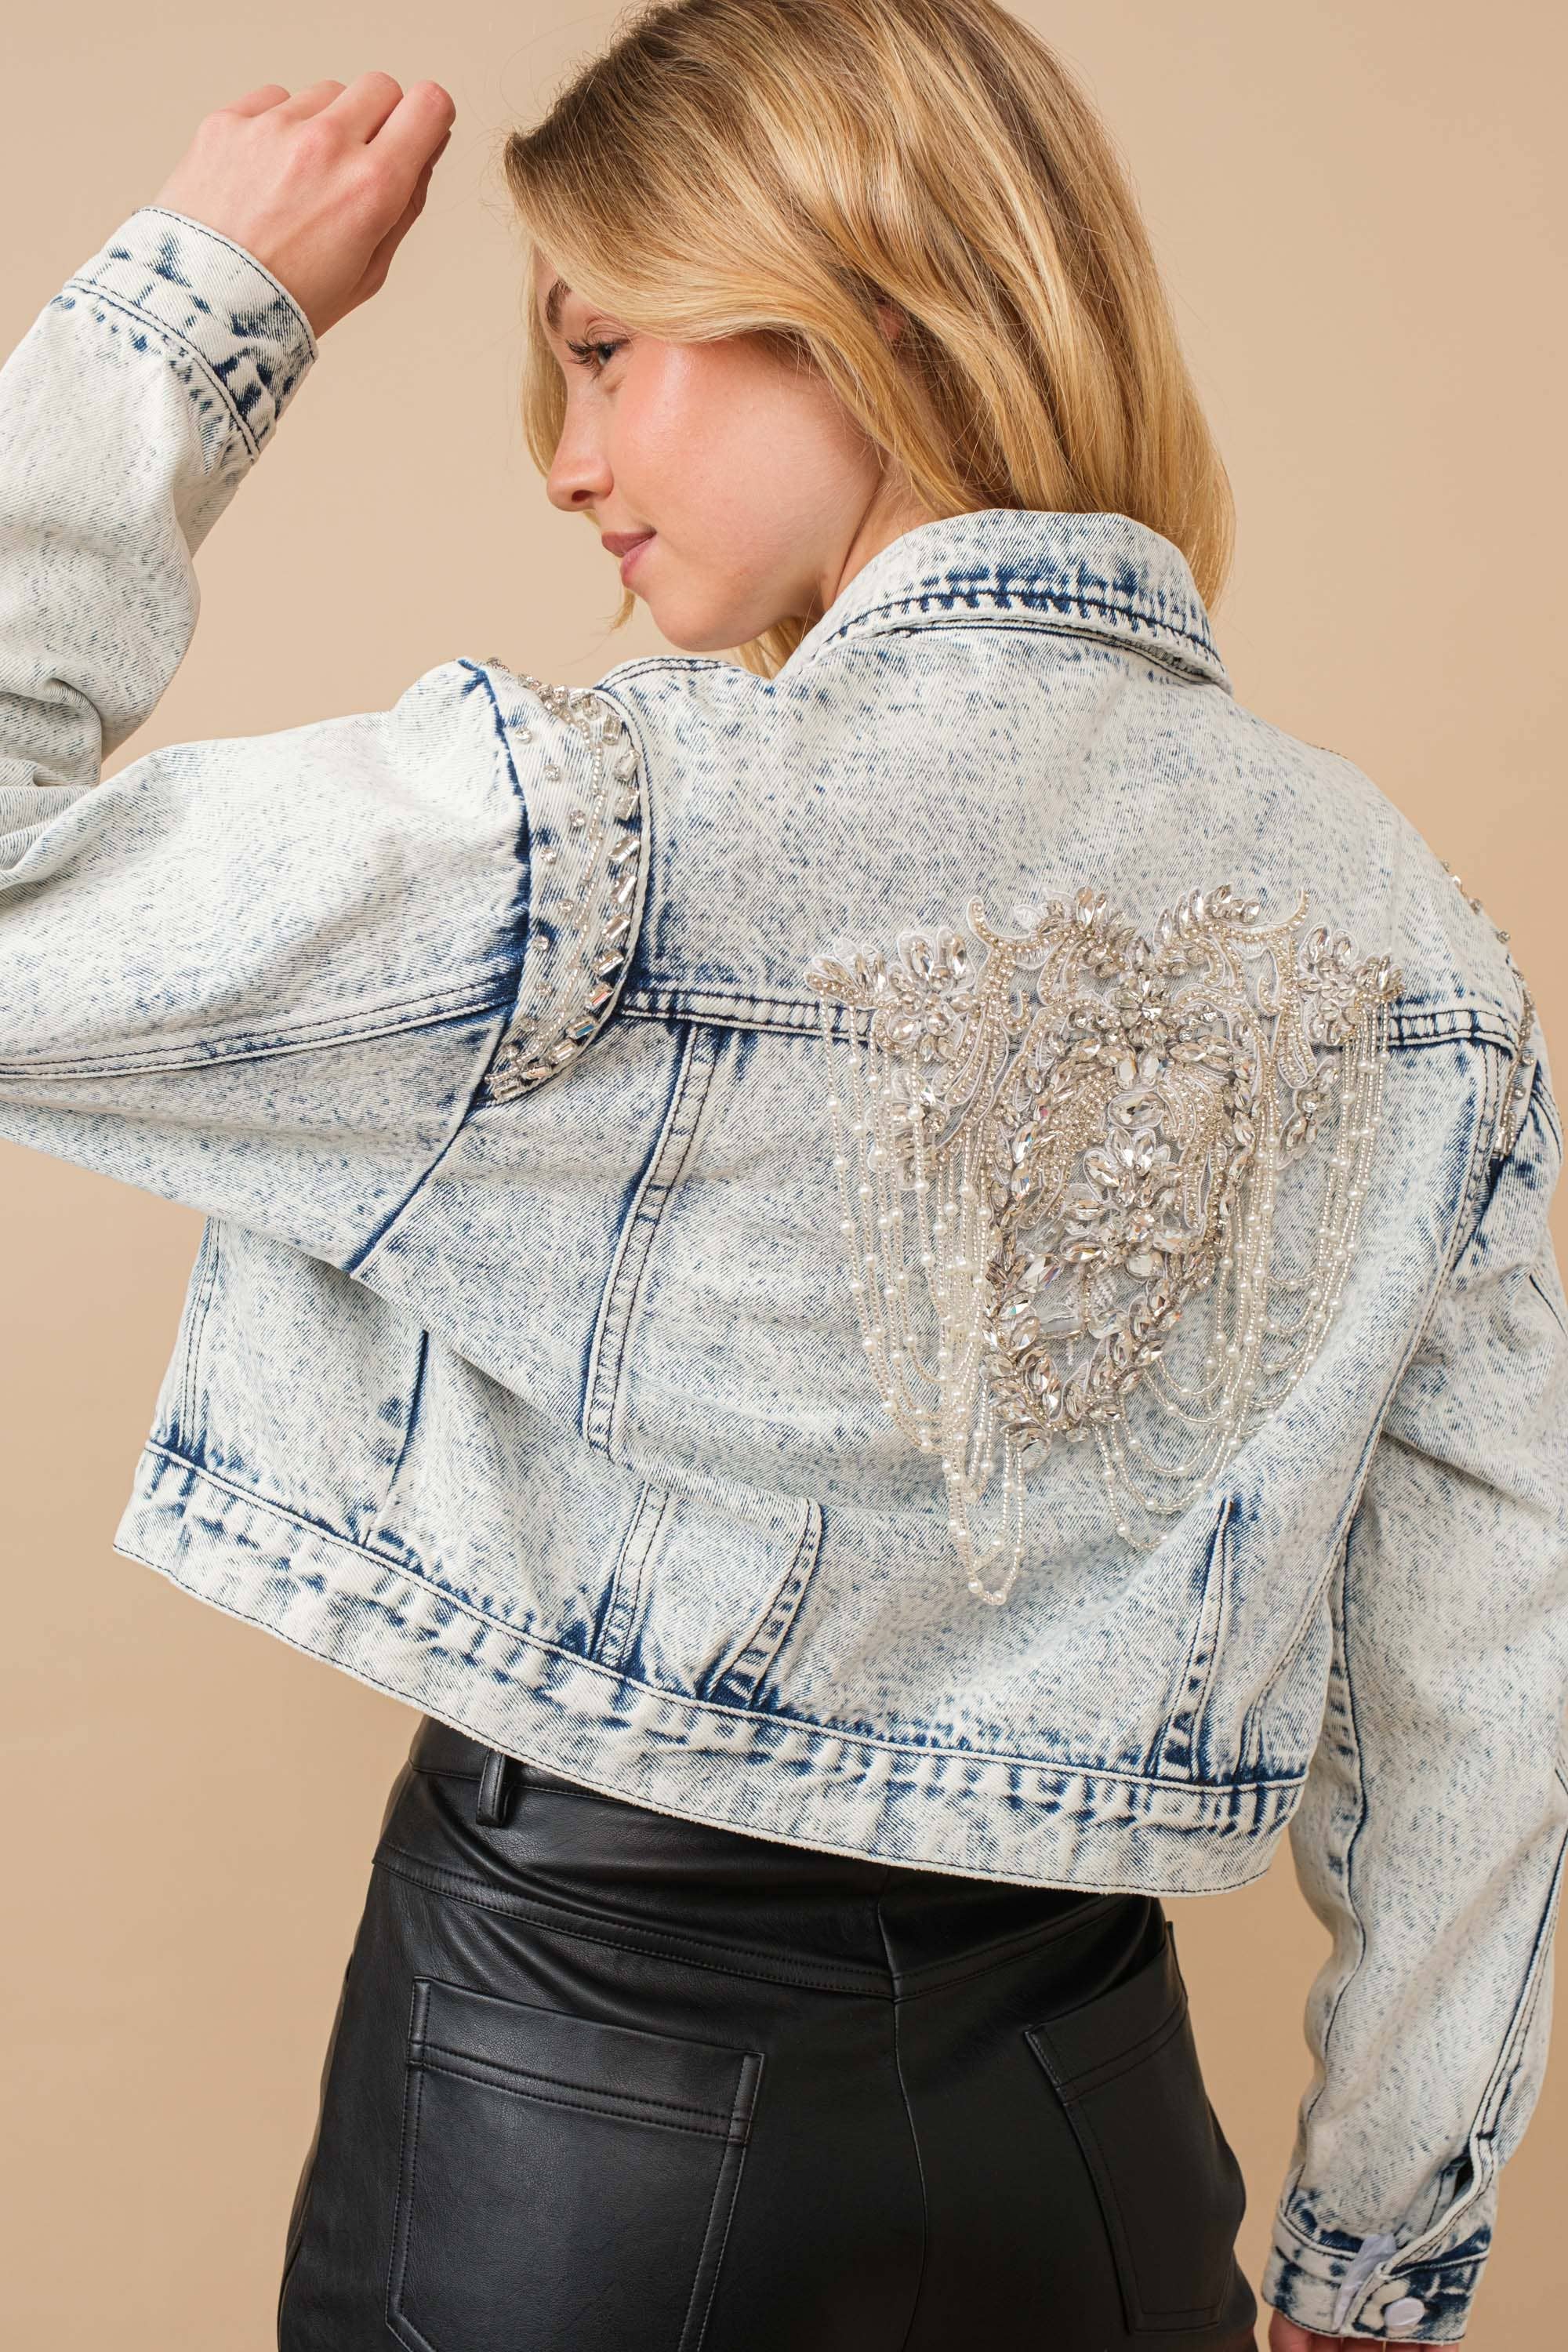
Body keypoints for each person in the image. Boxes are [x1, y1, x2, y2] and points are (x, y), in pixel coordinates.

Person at [2, 4, 1563, 2347]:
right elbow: (1485, 1673)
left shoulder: (589, 845)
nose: (567, 460)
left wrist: (198, 301)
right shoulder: (1414, 946)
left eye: (605, 350)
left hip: (575, 2116)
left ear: (857, 302)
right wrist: (1380, 2255)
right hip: (1095, 2140)